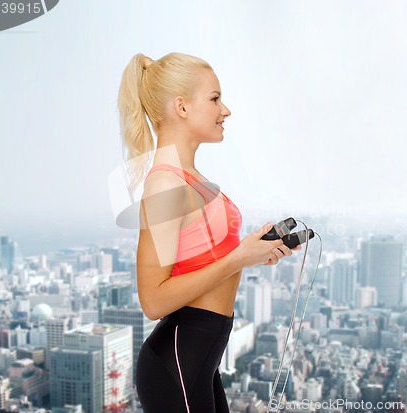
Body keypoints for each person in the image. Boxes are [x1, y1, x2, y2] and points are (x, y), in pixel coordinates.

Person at [117, 52, 299, 413]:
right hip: (178, 363)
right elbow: (153, 301)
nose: (225, 110)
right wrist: (238, 258)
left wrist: (254, 252)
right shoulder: (165, 184)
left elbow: (206, 262)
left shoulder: (193, 179)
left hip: (199, 361)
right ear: (181, 107)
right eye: (215, 99)